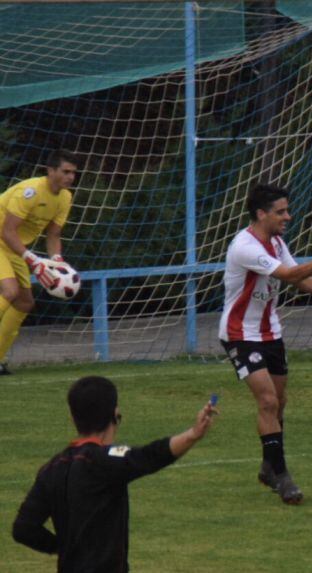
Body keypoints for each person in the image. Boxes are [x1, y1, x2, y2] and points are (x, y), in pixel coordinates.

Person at [219, 183, 312, 505]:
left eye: (287, 210)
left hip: (270, 332)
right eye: (281, 212)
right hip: (240, 333)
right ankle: (283, 476)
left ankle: (267, 466)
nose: (288, 216)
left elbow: (300, 278)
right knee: (268, 401)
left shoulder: (276, 242)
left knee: (280, 401)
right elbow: (290, 275)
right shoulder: (245, 247)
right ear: (261, 214)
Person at [12, 376, 217, 571]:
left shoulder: (52, 467)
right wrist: (193, 434)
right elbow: (150, 455)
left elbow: (24, 528)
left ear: (73, 418)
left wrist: (63, 547)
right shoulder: (105, 459)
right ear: (115, 415)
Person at [0, 149, 78, 375]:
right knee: (10, 290)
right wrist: (33, 260)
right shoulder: (30, 191)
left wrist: (57, 261)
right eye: (65, 172)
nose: (70, 177)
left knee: (25, 302)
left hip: (15, 248)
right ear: (50, 170)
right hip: (3, 239)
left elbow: (53, 235)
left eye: (73, 173)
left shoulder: (65, 197)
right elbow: (7, 231)